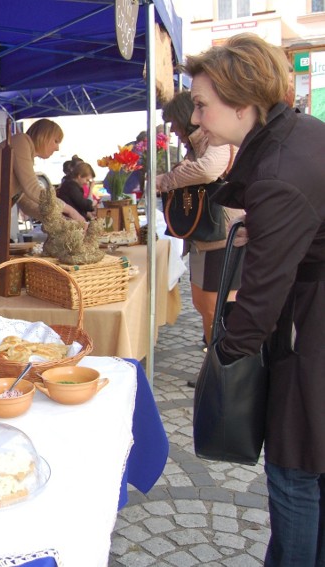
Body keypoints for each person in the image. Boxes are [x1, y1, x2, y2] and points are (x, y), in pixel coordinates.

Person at [184, 33, 325, 566]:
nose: (195, 118)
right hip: (311, 311)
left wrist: (222, 358)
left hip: (311, 327)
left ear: (242, 101)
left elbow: (261, 302)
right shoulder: (295, 137)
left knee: (294, 469)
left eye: (202, 104)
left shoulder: (280, 167)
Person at [157, 91, 241, 356]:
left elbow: (207, 170)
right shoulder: (197, 145)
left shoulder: (215, 140)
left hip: (221, 237)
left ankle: (223, 365)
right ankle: (214, 361)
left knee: (216, 306)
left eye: (173, 122)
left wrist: (167, 179)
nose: (172, 129)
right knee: (204, 304)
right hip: (204, 237)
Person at [0, 119, 85, 268]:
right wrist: (70, 211)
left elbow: (27, 205)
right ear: (44, 136)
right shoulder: (21, 141)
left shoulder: (25, 157)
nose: (57, 148)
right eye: (56, 141)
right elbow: (33, 188)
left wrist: (62, 221)